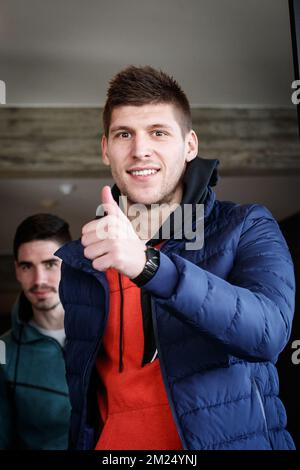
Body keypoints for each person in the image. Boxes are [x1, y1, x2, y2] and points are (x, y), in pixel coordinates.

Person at [56, 66, 296, 450]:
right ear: (106, 149)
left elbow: (267, 334)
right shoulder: (82, 263)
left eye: (158, 132)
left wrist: (148, 266)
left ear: (190, 145)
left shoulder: (246, 225)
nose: (140, 150)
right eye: (124, 134)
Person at [0, 214, 72, 449]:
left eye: (51, 264)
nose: (39, 280)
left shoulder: (109, 334)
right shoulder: (3, 351)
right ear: (17, 271)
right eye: (27, 266)